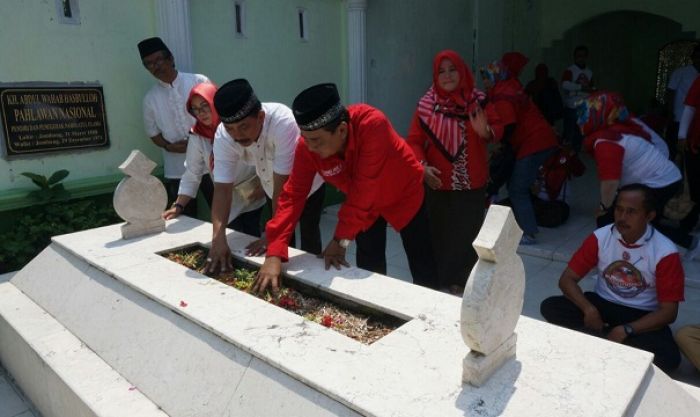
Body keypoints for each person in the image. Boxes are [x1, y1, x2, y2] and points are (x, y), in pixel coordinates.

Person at [252, 83, 438, 294]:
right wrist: (275, 251)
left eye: (316, 141)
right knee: (369, 261)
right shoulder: (308, 146)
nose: (309, 147)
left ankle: (432, 315)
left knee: (422, 262)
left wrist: (340, 240)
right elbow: (292, 195)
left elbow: (364, 190)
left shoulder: (372, 125)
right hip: (365, 209)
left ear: (341, 130)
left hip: (403, 193)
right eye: (305, 139)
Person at [540, 183, 684, 373]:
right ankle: (612, 342)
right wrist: (589, 309)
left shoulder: (665, 252)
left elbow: (668, 312)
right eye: (619, 209)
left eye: (631, 212)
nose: (622, 217)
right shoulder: (601, 237)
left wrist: (627, 329)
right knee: (551, 306)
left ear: (649, 216)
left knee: (669, 357)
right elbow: (567, 279)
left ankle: (600, 338)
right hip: (602, 303)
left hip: (640, 314)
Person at [406, 50, 502, 293]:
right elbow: (414, 140)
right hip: (437, 182)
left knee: (467, 238)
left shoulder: (479, 100)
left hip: (472, 184)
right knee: (439, 237)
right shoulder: (427, 105)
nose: (447, 75)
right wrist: (422, 166)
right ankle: (441, 286)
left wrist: (486, 132)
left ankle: (464, 286)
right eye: (441, 71)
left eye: (452, 69)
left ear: (462, 71)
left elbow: (498, 132)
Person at [205, 79, 326, 273]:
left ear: (261, 117)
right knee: (282, 239)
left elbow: (284, 185)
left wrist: (272, 240)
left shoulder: (283, 123)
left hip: (306, 187)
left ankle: (314, 276)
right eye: (230, 129)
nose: (237, 135)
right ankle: (282, 269)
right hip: (271, 187)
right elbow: (222, 190)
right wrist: (218, 239)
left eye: (244, 127)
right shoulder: (224, 135)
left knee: (308, 234)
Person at [576, 91, 696, 250]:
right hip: (660, 179)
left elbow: (610, 182)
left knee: (626, 221)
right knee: (631, 221)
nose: (580, 121)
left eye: (584, 115)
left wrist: (603, 208)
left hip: (659, 182)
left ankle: (690, 243)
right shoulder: (620, 128)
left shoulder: (606, 140)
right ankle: (614, 255)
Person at [161, 82, 265, 234]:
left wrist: (263, 185)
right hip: (227, 196)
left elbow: (262, 154)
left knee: (252, 236)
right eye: (195, 109)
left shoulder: (234, 125)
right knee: (232, 238)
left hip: (254, 190)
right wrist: (179, 205)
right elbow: (192, 172)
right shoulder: (197, 136)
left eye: (205, 106)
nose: (201, 113)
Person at [481, 52, 558, 245]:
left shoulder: (502, 96)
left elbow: (509, 125)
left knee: (517, 188)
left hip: (533, 142)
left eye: (487, 78)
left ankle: (529, 232)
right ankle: (526, 223)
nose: (484, 82)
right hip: (539, 139)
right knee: (519, 184)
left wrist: (500, 146)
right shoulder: (510, 86)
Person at [138, 36, 210, 217]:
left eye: (158, 60)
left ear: (170, 58)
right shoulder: (150, 99)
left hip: (210, 161)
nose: (155, 66)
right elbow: (153, 133)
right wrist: (168, 146)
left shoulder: (198, 81)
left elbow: (216, 116)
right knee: (184, 218)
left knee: (227, 211)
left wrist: (197, 141)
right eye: (149, 64)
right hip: (177, 167)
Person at [665, 45, 700, 161]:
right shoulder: (681, 72)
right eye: (697, 56)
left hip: (696, 123)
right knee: (674, 149)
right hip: (679, 116)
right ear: (693, 57)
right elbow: (671, 92)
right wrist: (670, 112)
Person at [676, 75, 700, 239]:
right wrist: (682, 135)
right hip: (696, 144)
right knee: (693, 187)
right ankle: (689, 223)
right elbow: (690, 107)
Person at [561, 45, 594, 153]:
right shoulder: (570, 70)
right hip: (571, 107)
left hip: (584, 107)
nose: (581, 58)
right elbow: (565, 84)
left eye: (583, 56)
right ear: (574, 57)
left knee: (580, 135)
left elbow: (591, 88)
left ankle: (575, 158)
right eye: (579, 56)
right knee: (568, 135)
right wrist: (581, 88)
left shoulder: (589, 72)